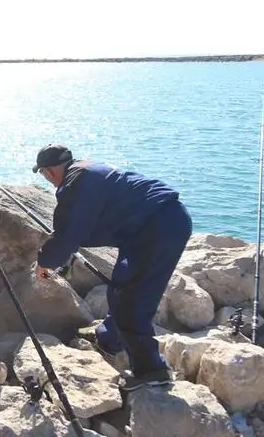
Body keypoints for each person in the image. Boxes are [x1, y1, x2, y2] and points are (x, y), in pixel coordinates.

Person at [31, 144, 192, 391]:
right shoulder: (85, 170)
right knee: (121, 287)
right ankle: (108, 338)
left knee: (132, 300)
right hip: (152, 224)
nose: (48, 180)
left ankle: (152, 370)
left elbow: (68, 235)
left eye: (44, 174)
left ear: (49, 171)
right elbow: (83, 223)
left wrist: (44, 262)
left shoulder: (74, 183)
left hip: (158, 228)